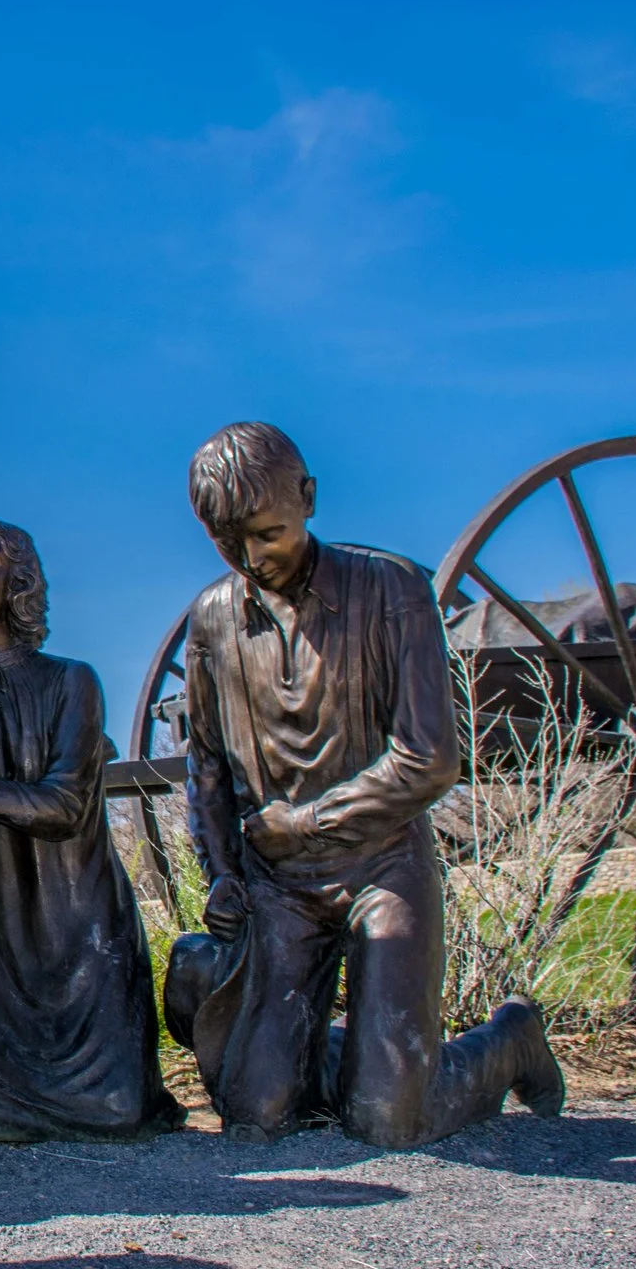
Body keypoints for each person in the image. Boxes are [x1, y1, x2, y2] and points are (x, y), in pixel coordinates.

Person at [165, 422, 566, 1148]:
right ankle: (359, 1063)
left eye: (268, 533)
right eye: (227, 541)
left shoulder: (392, 590)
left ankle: (507, 1041)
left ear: (308, 497)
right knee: (257, 1116)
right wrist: (221, 871)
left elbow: (428, 759)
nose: (252, 558)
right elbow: (209, 765)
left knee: (387, 1119)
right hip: (279, 887)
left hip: (383, 870)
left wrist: (305, 823)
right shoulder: (212, 619)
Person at [0, 519, 183, 1146]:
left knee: (113, 1111)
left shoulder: (70, 681)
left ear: (20, 583)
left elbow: (63, 807)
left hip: (80, 938)